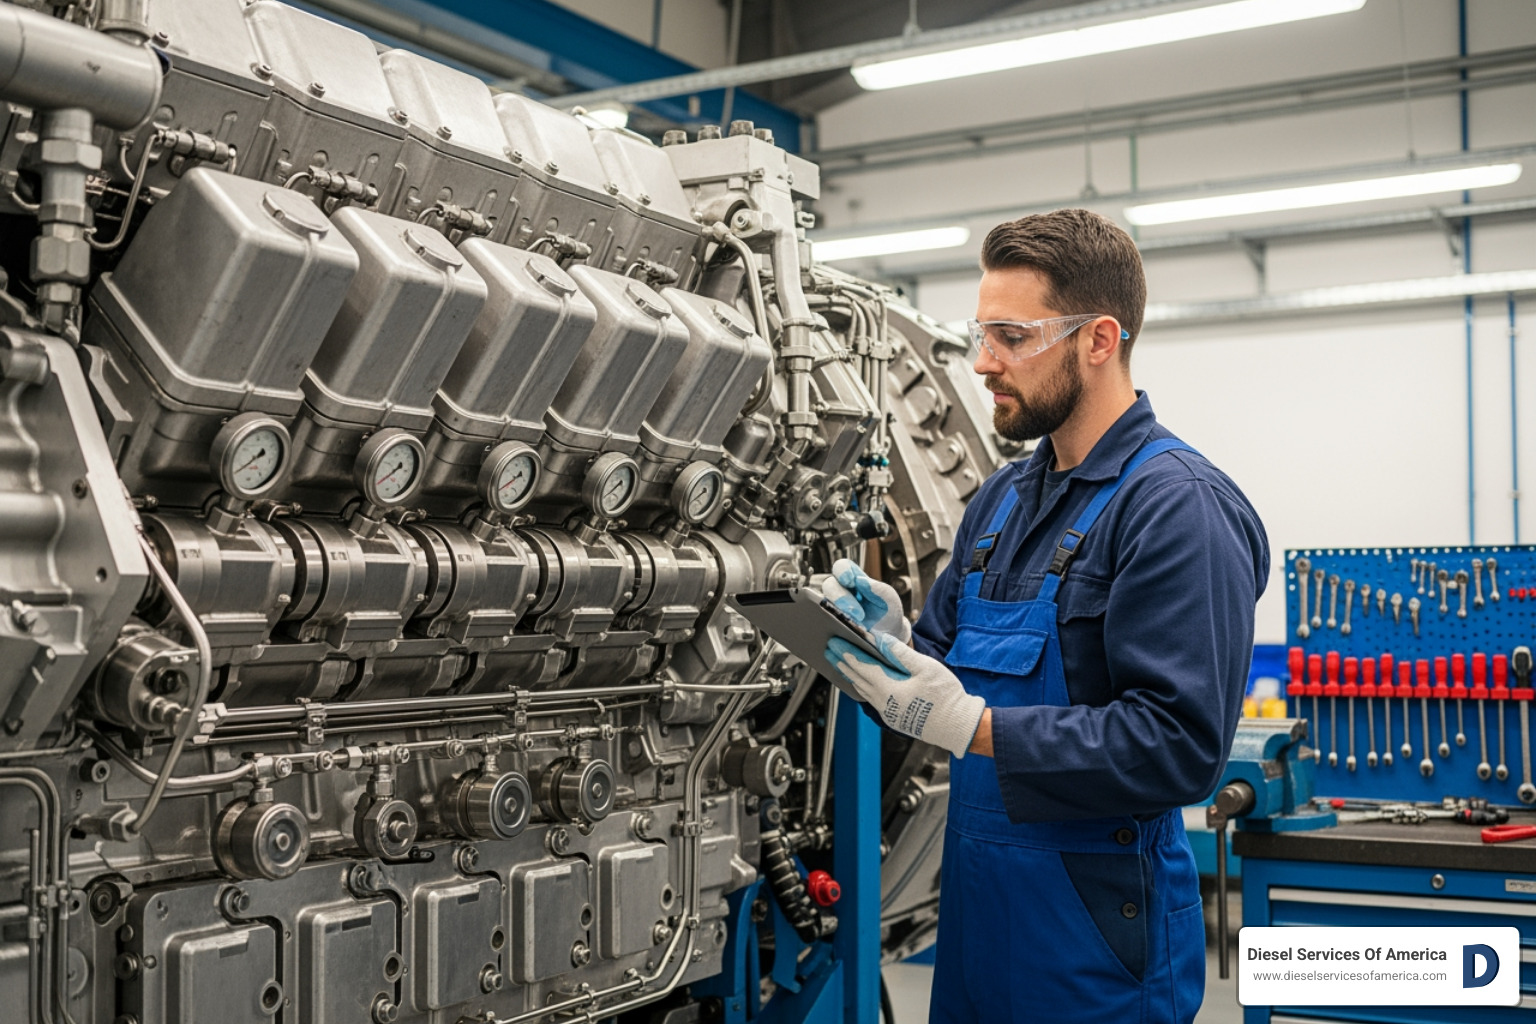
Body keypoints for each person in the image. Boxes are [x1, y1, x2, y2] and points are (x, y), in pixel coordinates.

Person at [823, 208, 1269, 1024]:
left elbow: (1180, 749)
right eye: (981, 334)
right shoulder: (1002, 499)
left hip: (1095, 950)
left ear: (1099, 340)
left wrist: (978, 728)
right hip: (975, 935)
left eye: (1012, 337)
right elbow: (942, 671)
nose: (983, 362)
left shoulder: (1176, 507)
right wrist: (890, 644)